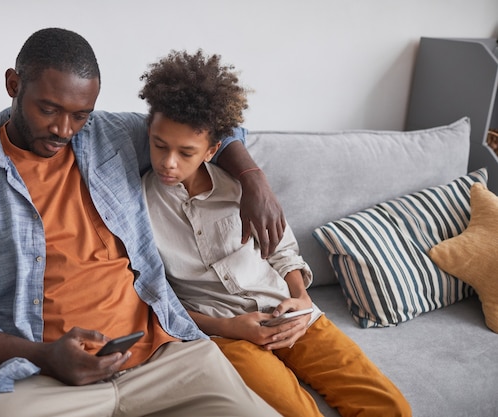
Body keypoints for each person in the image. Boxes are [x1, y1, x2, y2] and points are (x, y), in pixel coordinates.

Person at [0, 28, 285, 417]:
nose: (64, 130)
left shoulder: (113, 135)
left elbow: (212, 126)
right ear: (13, 84)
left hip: (164, 359)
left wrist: (253, 179)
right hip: (38, 377)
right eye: (48, 109)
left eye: (80, 115)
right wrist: (43, 356)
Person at [140, 50, 412, 417]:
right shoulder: (136, 204)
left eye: (186, 152)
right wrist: (230, 327)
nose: (168, 162)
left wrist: (301, 299)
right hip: (225, 336)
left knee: (389, 406)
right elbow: (155, 297)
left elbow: (283, 252)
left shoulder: (240, 189)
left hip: (290, 313)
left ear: (212, 149)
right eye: (159, 145)